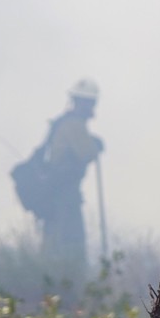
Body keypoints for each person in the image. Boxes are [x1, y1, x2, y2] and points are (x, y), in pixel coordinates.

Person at [12, 79, 104, 269]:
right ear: (78, 102)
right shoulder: (74, 125)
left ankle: (50, 282)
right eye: (86, 102)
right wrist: (96, 144)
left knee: (53, 242)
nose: (89, 106)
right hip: (64, 196)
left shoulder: (62, 123)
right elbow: (87, 153)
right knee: (70, 244)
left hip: (55, 195)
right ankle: (66, 283)